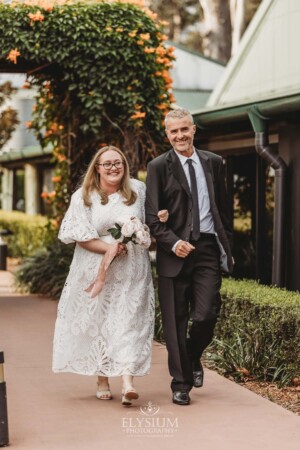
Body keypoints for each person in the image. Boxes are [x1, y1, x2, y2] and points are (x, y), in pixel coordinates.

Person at [52, 145, 155, 406]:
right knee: (100, 320)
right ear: (97, 168)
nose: (113, 168)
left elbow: (150, 223)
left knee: (130, 320)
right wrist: (110, 247)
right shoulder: (84, 196)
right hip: (96, 266)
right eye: (107, 163)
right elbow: (80, 236)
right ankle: (102, 377)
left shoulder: (138, 191)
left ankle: (128, 381)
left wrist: (144, 231)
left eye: (118, 162)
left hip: (132, 270)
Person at [145, 108, 233, 406]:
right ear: (167, 134)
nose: (180, 136)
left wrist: (226, 243)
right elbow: (152, 217)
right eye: (174, 132)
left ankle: (193, 357)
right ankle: (180, 383)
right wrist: (172, 242)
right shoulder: (158, 166)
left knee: (206, 315)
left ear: (194, 129)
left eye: (185, 129)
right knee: (175, 322)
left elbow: (223, 209)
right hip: (174, 253)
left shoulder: (215, 162)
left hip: (207, 248)